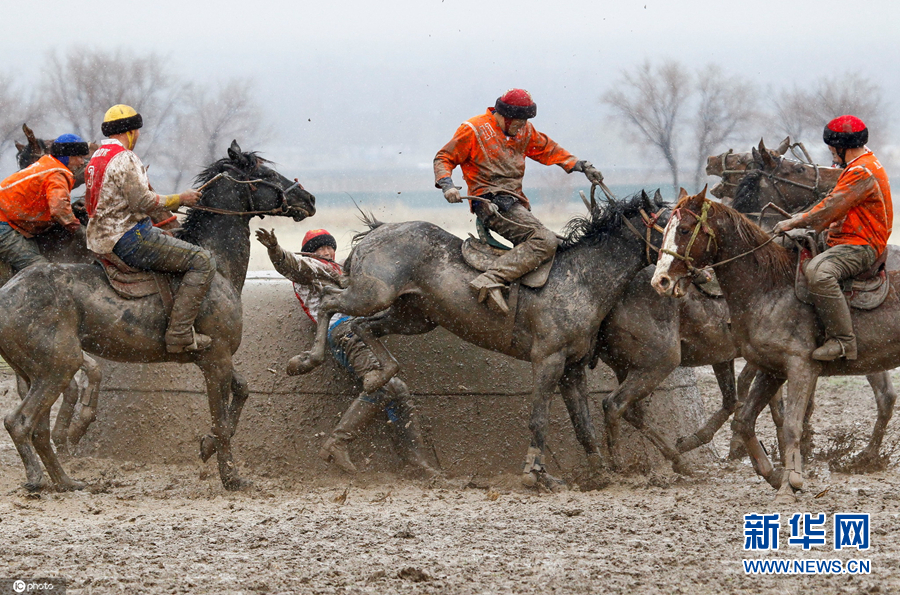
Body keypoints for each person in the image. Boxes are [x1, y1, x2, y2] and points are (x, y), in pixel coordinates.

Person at [256, 227, 440, 478]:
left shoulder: (337, 267)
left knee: (397, 388)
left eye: (329, 246)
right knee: (385, 386)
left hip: (355, 331)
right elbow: (291, 265)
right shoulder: (312, 268)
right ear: (311, 253)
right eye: (319, 247)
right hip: (344, 332)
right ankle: (337, 443)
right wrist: (275, 250)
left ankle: (413, 460)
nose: (326, 251)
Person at [433, 88, 605, 313]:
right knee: (545, 241)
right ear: (505, 116)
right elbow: (443, 157)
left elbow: (548, 149)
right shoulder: (473, 130)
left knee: (562, 246)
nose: (523, 126)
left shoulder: (524, 131)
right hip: (489, 202)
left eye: (526, 121)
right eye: (519, 121)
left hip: (514, 203)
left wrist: (579, 165)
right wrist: (447, 185)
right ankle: (490, 278)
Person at [85, 104, 213, 353]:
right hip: (128, 238)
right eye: (137, 130)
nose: (139, 136)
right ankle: (180, 334)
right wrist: (180, 199)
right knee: (203, 260)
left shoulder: (96, 157)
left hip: (99, 238)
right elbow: (142, 201)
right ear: (129, 131)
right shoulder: (125, 157)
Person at [773, 115, 892, 361]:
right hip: (846, 237)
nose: (832, 154)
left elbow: (831, 207)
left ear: (843, 146)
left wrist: (795, 221)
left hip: (861, 245)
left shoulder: (861, 172)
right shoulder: (862, 163)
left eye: (832, 149)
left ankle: (842, 340)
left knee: (819, 272)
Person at [0, 134, 90, 273]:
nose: (81, 162)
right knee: (41, 271)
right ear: (66, 157)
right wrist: (80, 231)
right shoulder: (57, 174)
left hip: (11, 219)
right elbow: (59, 210)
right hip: (4, 224)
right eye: (79, 157)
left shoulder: (48, 163)